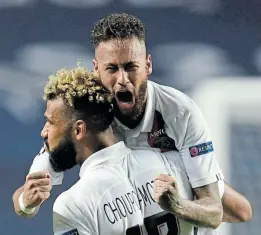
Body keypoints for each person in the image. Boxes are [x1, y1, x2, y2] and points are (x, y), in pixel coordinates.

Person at [13, 13, 251, 225]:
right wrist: (27, 202)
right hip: (123, 187)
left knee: (241, 211)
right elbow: (24, 199)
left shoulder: (179, 111)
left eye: (130, 67)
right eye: (112, 69)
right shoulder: (90, 106)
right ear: (96, 69)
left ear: (148, 64)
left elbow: (213, 212)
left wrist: (177, 205)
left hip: (171, 176)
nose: (123, 79)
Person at [45, 67, 222, 235]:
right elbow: (223, 211)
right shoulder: (174, 163)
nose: (44, 132)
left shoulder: (71, 206)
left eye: (50, 122)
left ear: (79, 130)